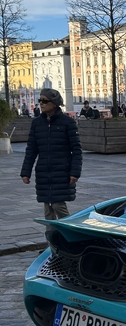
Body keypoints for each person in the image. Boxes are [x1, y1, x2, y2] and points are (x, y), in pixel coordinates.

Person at [20, 88, 82, 224]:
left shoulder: (67, 122)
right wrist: (26, 172)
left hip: (61, 171)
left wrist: (75, 172)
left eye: (45, 101)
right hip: (43, 172)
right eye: (40, 100)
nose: (41, 103)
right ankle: (53, 241)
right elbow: (31, 150)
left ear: (54, 103)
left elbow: (76, 149)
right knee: (48, 209)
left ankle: (70, 235)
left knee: (58, 205)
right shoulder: (37, 123)